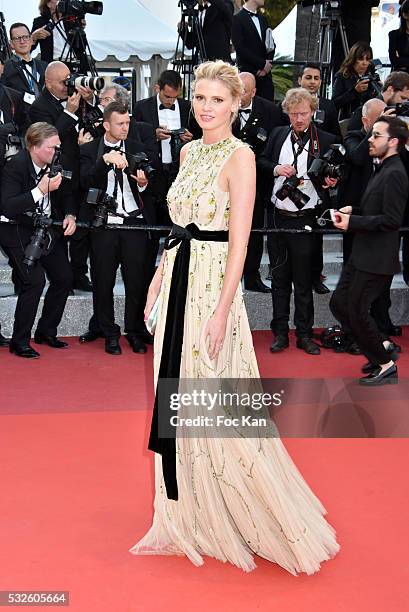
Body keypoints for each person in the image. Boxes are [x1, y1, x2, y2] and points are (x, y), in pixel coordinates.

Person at [129, 60, 339, 573]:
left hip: (210, 288)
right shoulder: (186, 150)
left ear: (237, 103)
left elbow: (240, 243)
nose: (205, 107)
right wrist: (158, 278)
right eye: (199, 97)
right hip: (178, 274)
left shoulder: (241, 157)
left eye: (217, 99)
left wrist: (223, 311)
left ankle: (234, 506)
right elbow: (181, 226)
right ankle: (185, 512)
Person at [259, 88, 338, 355]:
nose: (299, 118)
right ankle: (280, 333)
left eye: (303, 113)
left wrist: (330, 181)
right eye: (294, 113)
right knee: (279, 281)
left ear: (313, 112)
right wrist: (275, 169)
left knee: (304, 282)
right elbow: (260, 160)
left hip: (306, 220)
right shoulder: (278, 134)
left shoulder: (325, 139)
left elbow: (337, 173)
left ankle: (304, 334)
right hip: (278, 218)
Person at [330, 115, 409, 385]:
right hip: (362, 253)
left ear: (394, 141)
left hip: (377, 258)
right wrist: (355, 210)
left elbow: (391, 220)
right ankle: (382, 348)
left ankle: (385, 365)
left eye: (376, 136)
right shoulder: (383, 167)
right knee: (339, 304)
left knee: (356, 310)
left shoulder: (396, 173)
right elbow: (375, 209)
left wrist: (354, 222)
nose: (370, 141)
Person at [80, 102, 156, 356]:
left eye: (127, 123)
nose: (125, 128)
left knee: (136, 283)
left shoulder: (137, 148)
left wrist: (144, 184)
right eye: (120, 124)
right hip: (104, 227)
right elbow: (84, 182)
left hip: (134, 223)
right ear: (106, 125)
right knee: (103, 282)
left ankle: (134, 332)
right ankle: (109, 332)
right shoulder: (90, 150)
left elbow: (158, 186)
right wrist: (104, 160)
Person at [0, 122, 76, 358]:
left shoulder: (56, 163)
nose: (57, 152)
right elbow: (8, 207)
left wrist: (70, 214)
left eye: (58, 147)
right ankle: (19, 341)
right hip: (14, 230)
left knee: (64, 277)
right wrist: (40, 190)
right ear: (34, 147)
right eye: (52, 148)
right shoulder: (16, 167)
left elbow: (69, 194)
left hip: (45, 230)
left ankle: (46, 331)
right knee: (34, 282)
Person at [29, 60, 96, 292]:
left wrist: (87, 101)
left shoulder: (75, 98)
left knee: (80, 227)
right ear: (47, 83)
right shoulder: (39, 106)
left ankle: (79, 274)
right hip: (56, 175)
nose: (68, 85)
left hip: (80, 169)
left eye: (69, 79)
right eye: (62, 82)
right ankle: (62, 276)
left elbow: (95, 122)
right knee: (60, 227)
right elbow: (47, 138)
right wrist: (69, 112)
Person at [233, 71, 284, 292]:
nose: (240, 93)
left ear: (254, 92)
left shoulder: (270, 111)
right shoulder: (224, 106)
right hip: (229, 181)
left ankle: (251, 277)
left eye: (244, 90)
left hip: (258, 181)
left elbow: (275, 145)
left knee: (253, 232)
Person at [133, 70, 195, 227]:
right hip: (153, 170)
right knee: (152, 220)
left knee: (177, 219)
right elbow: (134, 139)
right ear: (157, 88)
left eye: (175, 97)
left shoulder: (187, 107)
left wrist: (189, 137)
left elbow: (199, 136)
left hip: (179, 171)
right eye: (167, 96)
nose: (171, 101)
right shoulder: (142, 107)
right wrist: (153, 136)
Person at [232, 0, 275, 102]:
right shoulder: (237, 19)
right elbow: (240, 48)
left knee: (268, 110)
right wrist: (262, 64)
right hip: (247, 74)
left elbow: (271, 44)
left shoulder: (263, 19)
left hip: (266, 77)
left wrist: (267, 65)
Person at [1, 23, 47, 108]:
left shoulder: (44, 66)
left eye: (25, 37)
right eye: (17, 38)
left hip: (45, 115)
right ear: (11, 44)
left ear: (31, 40)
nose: (22, 41)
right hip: (20, 117)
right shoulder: (6, 68)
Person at [332, 41, 376, 121]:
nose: (364, 63)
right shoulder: (342, 76)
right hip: (349, 119)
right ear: (353, 59)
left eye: (368, 59)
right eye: (360, 59)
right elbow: (334, 103)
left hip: (368, 119)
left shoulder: (371, 76)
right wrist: (355, 91)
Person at [31, 0, 70, 64]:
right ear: (48, 4)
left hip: (75, 63)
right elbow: (29, 48)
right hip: (53, 65)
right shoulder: (39, 22)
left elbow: (82, 47)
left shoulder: (71, 20)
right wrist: (33, 37)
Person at [389, 0, 409, 73]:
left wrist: (402, 60)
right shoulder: (394, 35)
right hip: (401, 75)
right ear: (405, 15)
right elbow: (394, 60)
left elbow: (399, 60)